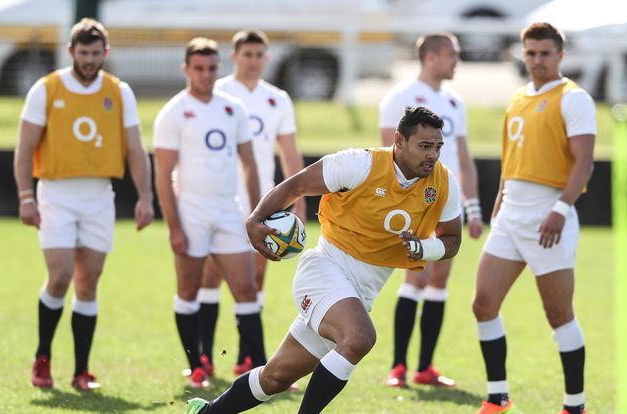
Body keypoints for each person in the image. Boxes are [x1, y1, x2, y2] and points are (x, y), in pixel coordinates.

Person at [184, 106, 463, 414]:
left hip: (360, 293)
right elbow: (296, 185)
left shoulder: (444, 183)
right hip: (324, 270)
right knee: (359, 337)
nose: (432, 155)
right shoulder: (360, 164)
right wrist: (255, 220)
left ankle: (205, 412)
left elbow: (452, 241)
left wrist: (424, 249)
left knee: (274, 377)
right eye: (424, 146)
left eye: (438, 147)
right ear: (399, 140)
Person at [13, 18, 154, 391]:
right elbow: (25, 146)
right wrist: (26, 197)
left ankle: (81, 371)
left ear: (104, 53)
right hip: (56, 193)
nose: (89, 60)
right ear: (71, 51)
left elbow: (136, 148)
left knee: (88, 282)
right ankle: (42, 357)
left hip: (98, 196)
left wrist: (146, 198)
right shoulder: (47, 89)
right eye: (83, 53)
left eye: (96, 53)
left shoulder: (119, 91)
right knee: (59, 276)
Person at [472, 22, 595, 414]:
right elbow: (512, 160)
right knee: (482, 304)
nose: (537, 60)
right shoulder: (517, 99)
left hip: (549, 216)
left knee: (558, 314)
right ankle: (497, 397)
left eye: (544, 53)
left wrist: (561, 208)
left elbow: (584, 161)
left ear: (561, 55)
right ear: (522, 54)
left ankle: (574, 404)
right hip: (511, 215)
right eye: (530, 53)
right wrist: (499, 201)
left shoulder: (574, 98)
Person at [153, 37, 266, 388]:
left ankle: (261, 368)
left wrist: (258, 215)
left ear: (219, 68)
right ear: (186, 69)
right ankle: (197, 365)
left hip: (229, 211)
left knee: (246, 289)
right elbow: (164, 174)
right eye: (198, 68)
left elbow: (249, 164)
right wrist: (174, 226)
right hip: (191, 212)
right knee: (189, 289)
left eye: (211, 68)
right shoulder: (174, 112)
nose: (205, 75)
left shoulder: (233, 108)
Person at [194, 29, 305, 377]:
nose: (253, 61)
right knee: (211, 277)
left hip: (264, 201)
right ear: (234, 56)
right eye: (247, 54)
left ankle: (246, 359)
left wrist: (297, 197)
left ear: (266, 59)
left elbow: (288, 152)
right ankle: (203, 359)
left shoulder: (277, 99)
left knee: (256, 278)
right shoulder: (220, 93)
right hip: (222, 199)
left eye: (259, 55)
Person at [379, 32, 483, 388]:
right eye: (452, 54)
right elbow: (384, 153)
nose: (457, 61)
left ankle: (425, 367)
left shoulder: (455, 102)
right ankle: (397, 368)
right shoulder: (400, 97)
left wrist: (473, 206)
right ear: (432, 57)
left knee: (440, 280)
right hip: (414, 204)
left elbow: (465, 160)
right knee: (416, 277)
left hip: (448, 204)